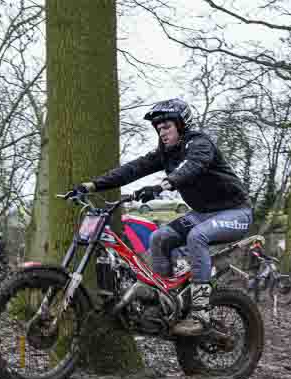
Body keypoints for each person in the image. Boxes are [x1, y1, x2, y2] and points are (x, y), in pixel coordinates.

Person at [69, 98, 251, 338]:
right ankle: (163, 303)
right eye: (158, 128)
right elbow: (132, 169)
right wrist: (91, 185)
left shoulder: (199, 144)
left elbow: (192, 166)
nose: (162, 132)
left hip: (235, 212)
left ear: (181, 125)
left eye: (166, 127)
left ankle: (201, 314)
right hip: (202, 214)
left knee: (197, 237)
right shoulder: (165, 154)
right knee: (159, 237)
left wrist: (163, 185)